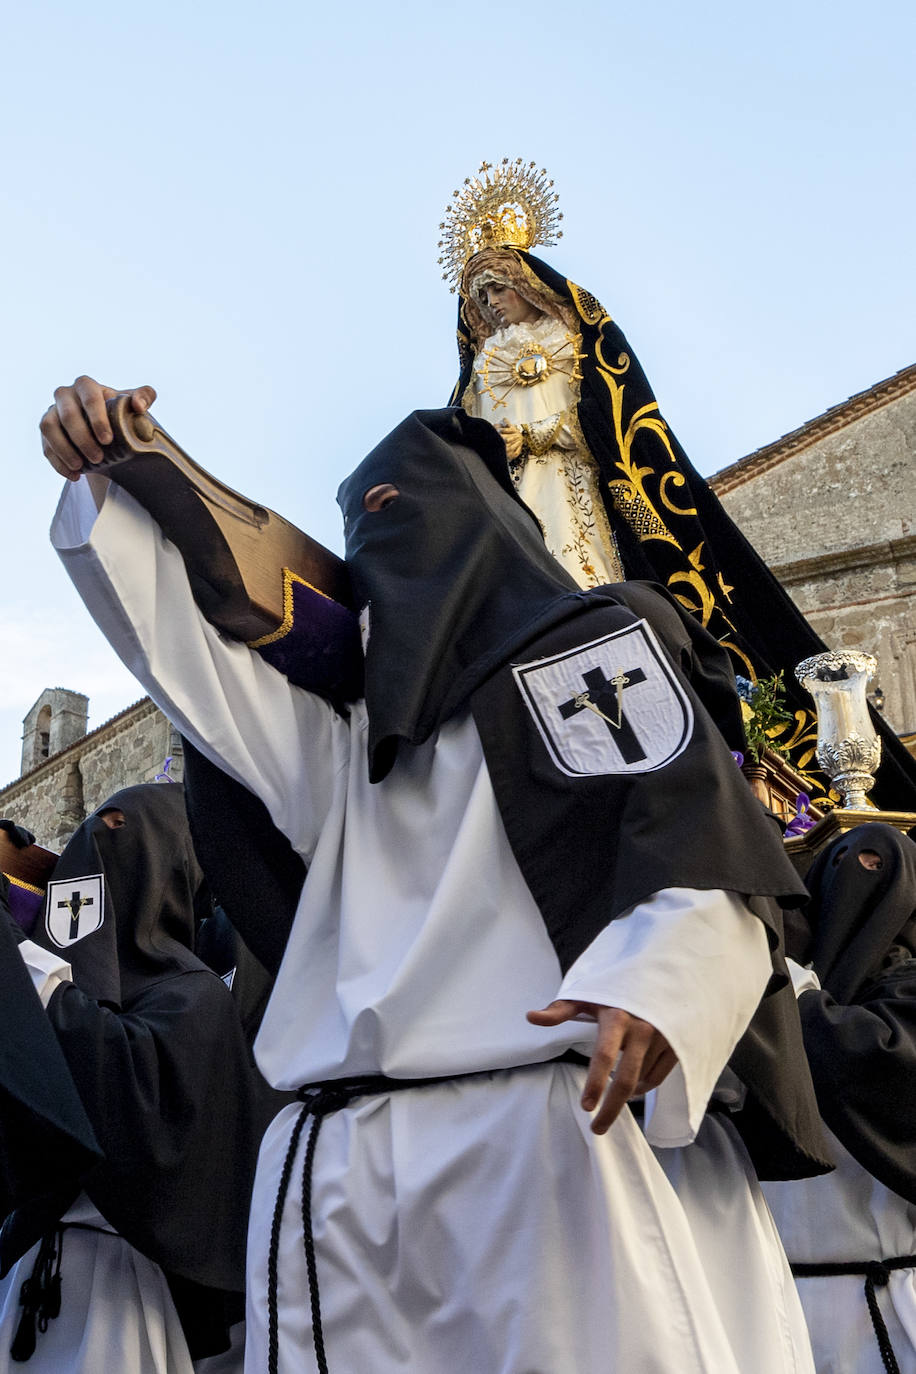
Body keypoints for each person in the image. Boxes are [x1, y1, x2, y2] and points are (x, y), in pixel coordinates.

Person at [41, 378, 827, 1371]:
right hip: (348, 1165)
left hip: (546, 1140)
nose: (379, 551)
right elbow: (196, 669)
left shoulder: (583, 658)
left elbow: (691, 841)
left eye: (397, 512)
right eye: (359, 530)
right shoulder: (338, 741)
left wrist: (659, 985)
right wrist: (116, 479)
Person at [449, 233, 916, 810]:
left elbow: (612, 418)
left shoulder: (576, 338)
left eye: (499, 286)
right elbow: (464, 443)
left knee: (601, 580)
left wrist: (539, 435)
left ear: (528, 285)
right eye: (481, 294)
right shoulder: (477, 373)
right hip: (514, 499)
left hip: (583, 491)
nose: (493, 301)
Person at [0, 783, 267, 1373]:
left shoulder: (195, 996)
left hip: (115, 1293)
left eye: (119, 829)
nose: (97, 846)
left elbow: (118, 1095)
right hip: (26, 1272)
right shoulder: (81, 987)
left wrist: (17, 956)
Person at [764, 824, 916, 1373]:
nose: (860, 876)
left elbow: (887, 1063)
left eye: (878, 866)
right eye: (845, 864)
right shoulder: (770, 998)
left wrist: (799, 998)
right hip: (784, 1293)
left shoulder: (906, 984)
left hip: (888, 1297)